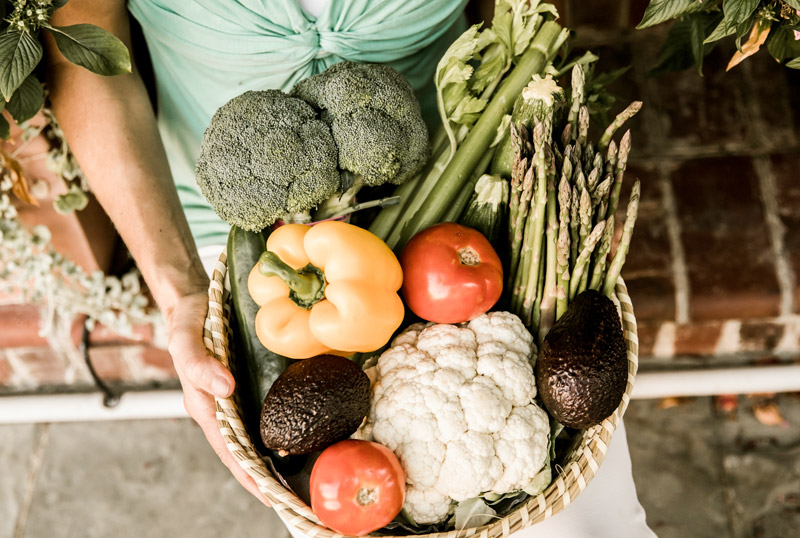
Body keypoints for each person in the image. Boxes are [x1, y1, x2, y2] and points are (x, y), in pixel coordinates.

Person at [44, 1, 655, 536]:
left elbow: (524, 15)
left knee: (589, 527)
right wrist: (180, 293)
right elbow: (81, 55)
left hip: (445, 199)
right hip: (241, 231)